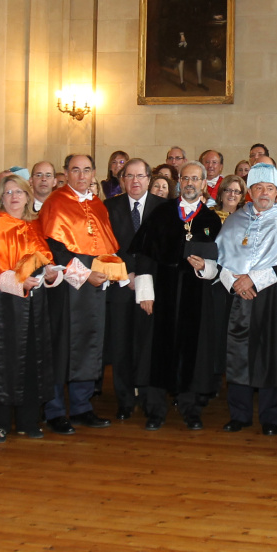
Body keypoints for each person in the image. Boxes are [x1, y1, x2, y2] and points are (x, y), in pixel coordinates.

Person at [131, 162, 227, 430]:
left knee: (193, 352)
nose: (190, 183)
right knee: (156, 351)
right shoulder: (160, 213)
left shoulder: (210, 219)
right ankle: (155, 410)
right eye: (185, 178)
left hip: (195, 294)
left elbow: (218, 263)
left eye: (196, 179)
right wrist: (145, 293)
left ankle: (190, 409)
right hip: (160, 292)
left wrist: (204, 268)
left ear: (204, 183)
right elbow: (145, 255)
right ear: (179, 181)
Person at [36, 154, 123, 433]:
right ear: (66, 173)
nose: (81, 176)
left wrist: (110, 272)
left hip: (94, 284)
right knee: (61, 346)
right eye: (75, 170)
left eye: (87, 170)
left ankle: (82, 406)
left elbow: (106, 245)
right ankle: (55, 410)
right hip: (66, 286)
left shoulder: (97, 204)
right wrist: (84, 275)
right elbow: (54, 249)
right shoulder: (55, 202)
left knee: (89, 342)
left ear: (94, 173)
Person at [215, 162, 277, 434]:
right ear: (249, 191)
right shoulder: (235, 219)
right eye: (258, 188)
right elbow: (220, 257)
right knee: (237, 354)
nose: (264, 193)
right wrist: (234, 282)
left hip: (270, 296)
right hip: (237, 296)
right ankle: (239, 414)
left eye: (269, 188)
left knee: (270, 355)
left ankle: (270, 418)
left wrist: (253, 279)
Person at [0, 174, 58, 440]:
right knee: (2, 361)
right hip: (3, 304)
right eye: (8, 192)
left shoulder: (34, 225)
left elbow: (44, 258)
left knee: (34, 360)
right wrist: (21, 280)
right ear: (1, 197)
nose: (13, 197)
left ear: (27, 196)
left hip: (35, 303)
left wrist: (48, 275)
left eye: (19, 192)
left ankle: (28, 420)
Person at [104, 160, 165, 425]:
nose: (135, 181)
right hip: (121, 287)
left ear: (149, 179)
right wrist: (125, 275)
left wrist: (143, 278)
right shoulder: (109, 208)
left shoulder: (164, 208)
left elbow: (165, 249)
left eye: (140, 175)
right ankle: (125, 400)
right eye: (129, 176)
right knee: (121, 346)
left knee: (151, 347)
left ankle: (153, 402)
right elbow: (104, 249)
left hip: (152, 288)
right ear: (121, 180)